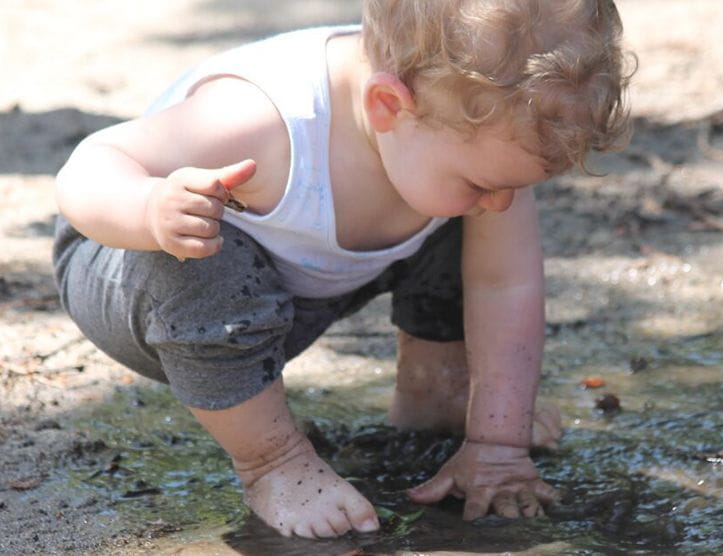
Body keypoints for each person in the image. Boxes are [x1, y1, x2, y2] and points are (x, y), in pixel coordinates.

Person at [53, 0, 631, 540]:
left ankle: (437, 388)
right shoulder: (265, 120)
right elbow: (91, 166)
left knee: (465, 217)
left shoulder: (457, 134)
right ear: (388, 107)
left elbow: (506, 284)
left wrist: (498, 443)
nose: (501, 202)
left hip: (302, 288)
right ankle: (274, 461)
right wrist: (151, 211)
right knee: (203, 261)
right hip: (135, 278)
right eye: (485, 181)